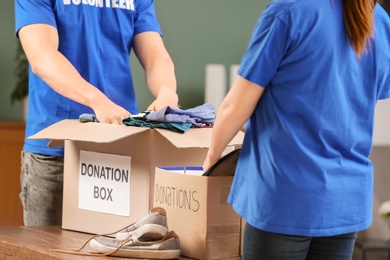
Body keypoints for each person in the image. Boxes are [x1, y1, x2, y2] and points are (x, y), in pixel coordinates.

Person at [203, 0, 390, 259]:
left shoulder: (288, 11)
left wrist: (212, 159)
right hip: (344, 201)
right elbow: (354, 96)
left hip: (284, 198)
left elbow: (235, 108)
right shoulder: (378, 20)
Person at [15, 0, 178, 226]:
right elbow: (42, 57)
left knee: (115, 249)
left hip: (118, 148)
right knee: (45, 249)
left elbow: (155, 55)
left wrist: (167, 91)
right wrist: (98, 102)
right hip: (54, 150)